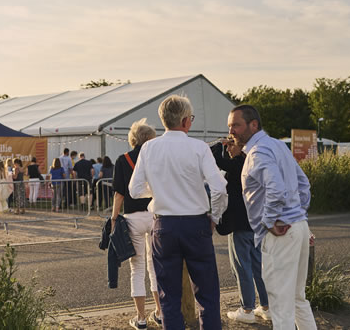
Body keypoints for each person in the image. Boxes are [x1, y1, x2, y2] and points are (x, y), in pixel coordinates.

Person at [130, 95, 228, 330]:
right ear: (186, 121)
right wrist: (215, 217)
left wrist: (157, 191)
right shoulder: (199, 148)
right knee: (207, 295)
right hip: (196, 224)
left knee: (168, 297)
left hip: (164, 225)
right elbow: (219, 187)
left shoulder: (149, 148)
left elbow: (134, 190)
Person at [228, 105, 317, 330]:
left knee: (280, 304)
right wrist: (298, 215)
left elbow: (275, 189)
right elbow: (303, 184)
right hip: (296, 226)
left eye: (236, 125)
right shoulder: (277, 145)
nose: (232, 132)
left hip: (280, 232)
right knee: (297, 299)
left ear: (253, 124)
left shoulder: (258, 153)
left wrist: (269, 222)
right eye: (230, 126)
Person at [210, 138, 270, 323]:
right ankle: (267, 306)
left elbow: (214, 160)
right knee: (257, 265)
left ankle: (247, 309)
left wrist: (219, 144)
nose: (228, 148)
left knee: (242, 267)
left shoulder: (239, 163)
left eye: (231, 145)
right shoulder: (253, 163)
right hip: (255, 223)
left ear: (242, 148)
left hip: (239, 224)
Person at [111, 119, 162, 329]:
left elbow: (119, 194)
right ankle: (159, 312)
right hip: (154, 215)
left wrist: (114, 218)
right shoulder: (156, 158)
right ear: (150, 139)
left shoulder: (123, 160)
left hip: (132, 218)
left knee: (137, 268)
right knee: (155, 266)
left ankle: (140, 318)